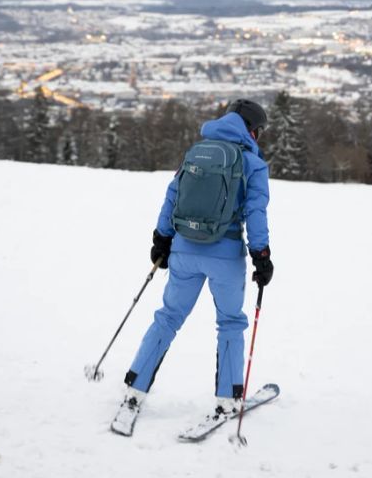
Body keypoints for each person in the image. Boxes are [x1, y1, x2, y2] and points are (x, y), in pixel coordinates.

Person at [111, 99, 274, 434]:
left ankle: (135, 389)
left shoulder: (197, 151)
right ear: (253, 131)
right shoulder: (253, 164)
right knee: (230, 322)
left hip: (185, 250)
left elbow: (172, 196)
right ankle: (227, 399)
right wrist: (262, 255)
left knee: (168, 317)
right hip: (225, 254)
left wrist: (162, 239)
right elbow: (256, 212)